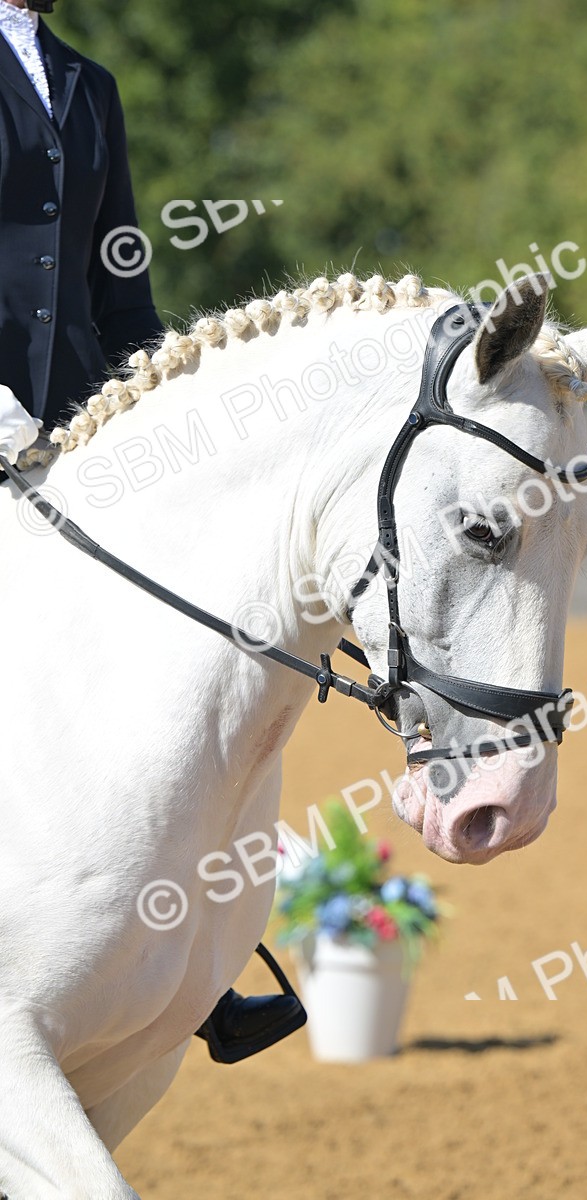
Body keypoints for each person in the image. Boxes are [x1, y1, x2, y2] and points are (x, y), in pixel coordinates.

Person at [0, 0, 303, 1059]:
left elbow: (119, 278)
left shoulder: (88, 83)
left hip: (84, 420)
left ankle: (192, 957)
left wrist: (165, 400)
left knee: (177, 637)